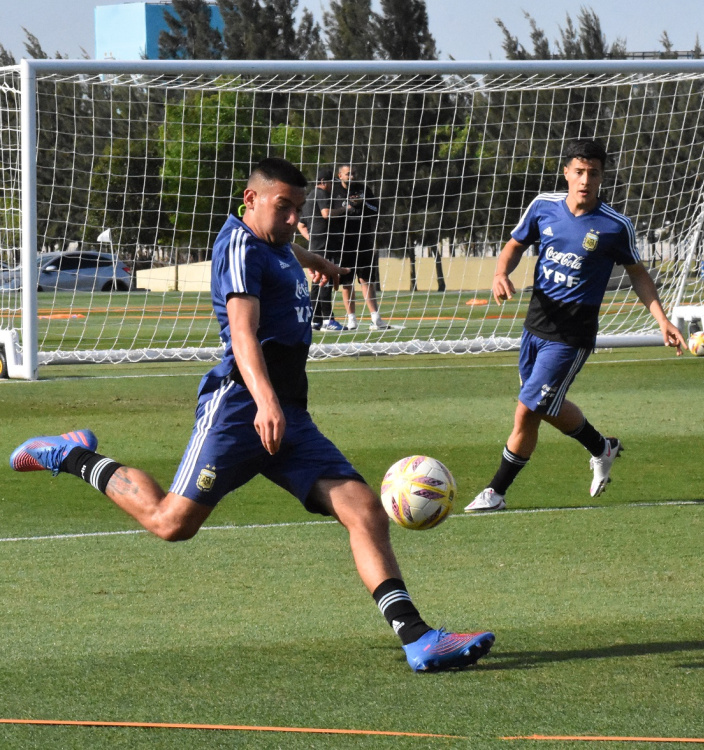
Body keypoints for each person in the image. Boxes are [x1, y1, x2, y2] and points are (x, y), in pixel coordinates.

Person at [9, 157, 494, 672]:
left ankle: (418, 639)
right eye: (283, 207)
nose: (292, 220)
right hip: (241, 407)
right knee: (171, 523)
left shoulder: (274, 239)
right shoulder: (239, 246)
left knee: (365, 509)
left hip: (288, 413)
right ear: (251, 199)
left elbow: (284, 245)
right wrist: (264, 403)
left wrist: (321, 263)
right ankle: (71, 454)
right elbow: (242, 333)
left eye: (298, 210)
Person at [464, 139, 685, 513]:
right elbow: (515, 244)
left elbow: (638, 274)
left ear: (602, 177)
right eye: (578, 172)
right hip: (534, 326)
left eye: (593, 173)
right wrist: (501, 272)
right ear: (566, 172)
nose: (585, 180)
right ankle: (603, 447)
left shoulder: (614, 226)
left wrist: (663, 320)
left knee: (527, 410)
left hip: (572, 335)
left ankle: (495, 492)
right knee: (546, 406)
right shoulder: (543, 207)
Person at [328, 163, 387, 331]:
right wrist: (345, 208)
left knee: (366, 279)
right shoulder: (334, 192)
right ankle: (351, 319)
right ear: (340, 176)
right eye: (348, 174)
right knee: (346, 282)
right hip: (344, 242)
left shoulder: (363, 189)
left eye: (353, 173)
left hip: (364, 240)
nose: (351, 176)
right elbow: (328, 213)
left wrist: (361, 203)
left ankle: (375, 317)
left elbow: (375, 209)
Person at [296, 167, 343, 332]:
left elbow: (301, 224)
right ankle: (328, 319)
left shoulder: (309, 197)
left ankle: (314, 319)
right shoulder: (321, 193)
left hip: (315, 243)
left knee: (316, 282)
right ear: (324, 182)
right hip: (324, 243)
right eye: (331, 182)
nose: (332, 186)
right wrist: (347, 209)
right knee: (325, 280)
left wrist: (311, 237)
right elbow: (326, 214)